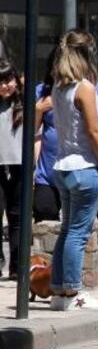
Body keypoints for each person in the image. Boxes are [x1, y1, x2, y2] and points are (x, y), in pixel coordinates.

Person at [49, 30, 98, 310]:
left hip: (64, 165)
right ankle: (73, 292)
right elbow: (94, 131)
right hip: (85, 166)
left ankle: (59, 291)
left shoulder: (58, 87)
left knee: (67, 230)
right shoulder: (84, 88)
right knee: (78, 232)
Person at [36, 51, 98, 222]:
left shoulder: (89, 89)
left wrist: (88, 106)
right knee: (68, 226)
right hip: (55, 167)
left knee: (73, 226)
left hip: (79, 165)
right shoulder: (47, 90)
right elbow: (32, 131)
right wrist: (38, 109)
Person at [0, 59, 25, 281]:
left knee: (17, 217)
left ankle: (17, 265)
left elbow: (35, 138)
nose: (4, 86)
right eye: (0, 82)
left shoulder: (24, 105)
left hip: (19, 167)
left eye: (8, 80)